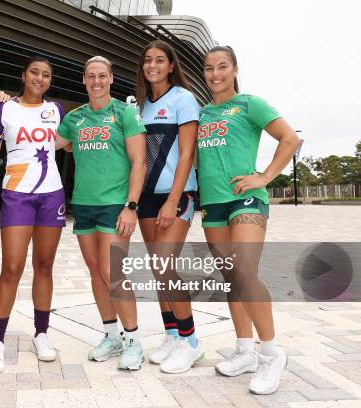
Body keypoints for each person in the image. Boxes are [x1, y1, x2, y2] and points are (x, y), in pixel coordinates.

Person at [198, 46, 299, 394]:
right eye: (209, 68)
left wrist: (265, 176)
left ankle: (270, 353)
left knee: (244, 273)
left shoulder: (249, 104)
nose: (215, 74)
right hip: (213, 206)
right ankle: (244, 350)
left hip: (246, 199)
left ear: (235, 69)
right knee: (231, 277)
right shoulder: (203, 114)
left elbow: (290, 138)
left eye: (222, 67)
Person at [58, 56, 147, 370]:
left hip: (115, 205)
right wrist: (9, 106)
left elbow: (139, 162)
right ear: (83, 80)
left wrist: (131, 206)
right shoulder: (75, 118)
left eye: (102, 76)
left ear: (111, 79)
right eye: (90, 76)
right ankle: (111, 335)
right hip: (84, 204)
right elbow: (49, 142)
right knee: (96, 271)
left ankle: (134, 341)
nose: (96, 81)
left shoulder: (124, 113)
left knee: (114, 273)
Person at [0, 57, 67, 373]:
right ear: (23, 75)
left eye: (46, 74)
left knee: (44, 266)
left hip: (51, 194)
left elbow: (71, 144)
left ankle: (41, 334)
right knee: (12, 268)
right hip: (17, 194)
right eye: (34, 72)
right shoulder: (6, 109)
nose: (40, 78)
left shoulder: (57, 110)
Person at [135, 40, 203, 373]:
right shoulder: (140, 105)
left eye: (160, 60)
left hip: (177, 196)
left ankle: (190, 341)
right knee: (159, 272)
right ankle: (173, 335)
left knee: (165, 266)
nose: (153, 66)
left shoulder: (184, 99)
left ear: (171, 65)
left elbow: (187, 153)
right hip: (147, 198)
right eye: (148, 60)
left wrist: (173, 200)